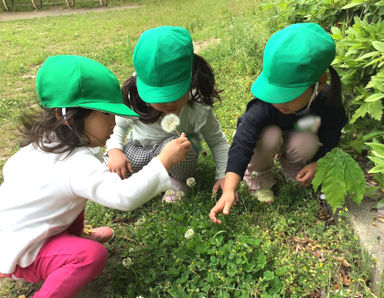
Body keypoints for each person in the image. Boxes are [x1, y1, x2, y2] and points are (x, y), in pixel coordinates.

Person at [0, 55, 191, 297]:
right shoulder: (75, 164)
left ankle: (73, 237)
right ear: (67, 116)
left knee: (74, 197)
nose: (114, 122)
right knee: (91, 256)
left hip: (15, 230)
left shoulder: (44, 145)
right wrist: (164, 161)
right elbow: (125, 197)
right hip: (25, 251)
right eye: (106, 114)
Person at [209, 23, 347, 224]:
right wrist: (229, 189)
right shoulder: (264, 106)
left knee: (306, 140)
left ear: (321, 83)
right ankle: (258, 177)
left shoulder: (329, 103)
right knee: (270, 135)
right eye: (275, 92)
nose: (278, 101)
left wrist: (319, 163)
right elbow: (242, 143)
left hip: (295, 138)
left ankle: (294, 166)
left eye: (288, 94)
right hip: (266, 141)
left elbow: (331, 137)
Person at [106, 26, 229, 202]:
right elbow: (118, 127)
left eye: (175, 92)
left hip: (179, 158)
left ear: (192, 78)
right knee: (112, 169)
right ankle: (143, 181)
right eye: (159, 97)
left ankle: (176, 182)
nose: (169, 103)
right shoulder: (135, 100)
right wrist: (115, 151)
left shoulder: (198, 106)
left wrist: (223, 175)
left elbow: (217, 141)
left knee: (183, 144)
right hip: (142, 152)